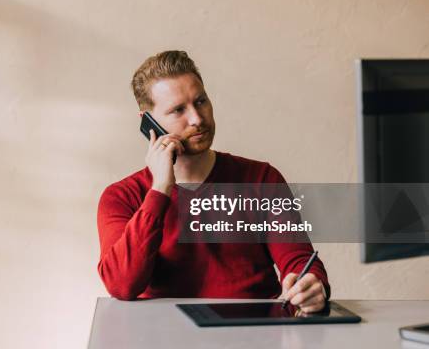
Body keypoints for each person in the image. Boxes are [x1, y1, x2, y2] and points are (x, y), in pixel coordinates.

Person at [97, 50, 329, 313]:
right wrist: (160, 189)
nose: (197, 119)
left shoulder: (261, 179)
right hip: (160, 335)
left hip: (251, 335)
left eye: (201, 101)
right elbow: (122, 284)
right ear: (148, 123)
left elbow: (298, 259)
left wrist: (311, 284)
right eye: (178, 110)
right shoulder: (121, 196)